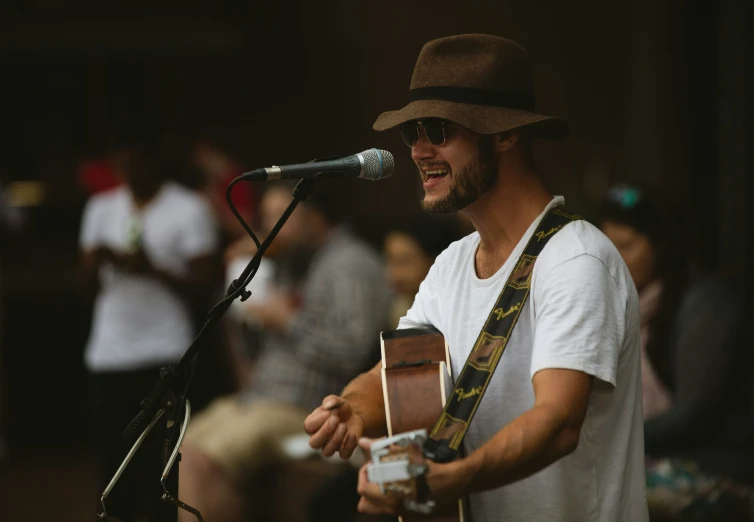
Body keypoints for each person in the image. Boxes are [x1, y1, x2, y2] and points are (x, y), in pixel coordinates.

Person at [305, 34, 648, 521]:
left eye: (439, 130)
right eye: (413, 133)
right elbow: (402, 374)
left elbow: (558, 422)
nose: (419, 151)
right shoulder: (450, 266)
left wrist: (451, 479)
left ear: (505, 133)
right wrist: (352, 409)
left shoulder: (577, 261)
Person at [178, 182, 392, 522]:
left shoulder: (350, 263)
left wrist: (288, 322)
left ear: (315, 216)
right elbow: (248, 348)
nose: (269, 229)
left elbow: (352, 351)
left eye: (282, 216)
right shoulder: (292, 263)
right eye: (266, 217)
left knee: (200, 459)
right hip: (259, 396)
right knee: (179, 451)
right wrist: (239, 275)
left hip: (307, 405)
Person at [597, 184, 754, 520]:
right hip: (651, 456)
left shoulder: (703, 306)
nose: (614, 258)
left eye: (627, 246)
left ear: (660, 248)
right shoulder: (621, 306)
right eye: (607, 245)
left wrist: (608, 440)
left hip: (712, 463)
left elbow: (694, 414)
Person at [79, 135, 218, 521]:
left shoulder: (188, 208)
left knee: (167, 454)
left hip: (165, 351)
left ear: (154, 160)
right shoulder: (101, 207)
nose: (128, 173)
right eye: (120, 165)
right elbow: (87, 287)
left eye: (135, 163)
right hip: (109, 350)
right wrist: (95, 262)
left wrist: (152, 268)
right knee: (114, 453)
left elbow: (205, 287)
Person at [383, 214, 463, 328]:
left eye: (405, 261)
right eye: (390, 260)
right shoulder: (400, 308)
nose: (394, 273)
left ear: (435, 260)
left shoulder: (455, 311)